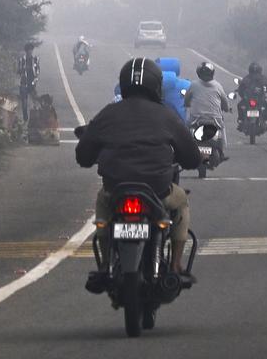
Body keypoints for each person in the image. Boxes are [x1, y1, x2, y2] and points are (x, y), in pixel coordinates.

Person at [76, 58, 203, 291]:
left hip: (115, 190)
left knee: (102, 203)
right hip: (159, 190)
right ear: (157, 86)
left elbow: (83, 156)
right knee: (182, 201)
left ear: (124, 84)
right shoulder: (166, 115)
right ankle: (175, 264)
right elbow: (192, 158)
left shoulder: (108, 113)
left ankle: (105, 264)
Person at [185, 61, 232, 160]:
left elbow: (186, 100)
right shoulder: (218, 86)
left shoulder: (193, 85)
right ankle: (222, 152)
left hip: (196, 119)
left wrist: (186, 104)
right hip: (214, 120)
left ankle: (184, 150)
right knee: (221, 130)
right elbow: (225, 102)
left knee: (185, 129)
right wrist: (227, 108)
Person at [236, 62, 267, 128]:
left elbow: (241, 88)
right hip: (258, 100)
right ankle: (266, 120)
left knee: (239, 105)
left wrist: (242, 95)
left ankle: (241, 120)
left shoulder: (247, 77)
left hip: (248, 100)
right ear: (260, 70)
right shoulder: (262, 77)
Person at [16, 43, 40, 123]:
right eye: (28, 50)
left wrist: (35, 79)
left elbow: (38, 70)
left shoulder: (36, 59)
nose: (30, 52)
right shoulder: (21, 60)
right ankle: (25, 116)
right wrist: (23, 69)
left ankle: (35, 118)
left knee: (35, 101)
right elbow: (18, 71)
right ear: (26, 51)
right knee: (24, 102)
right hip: (23, 83)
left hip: (32, 82)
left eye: (31, 50)